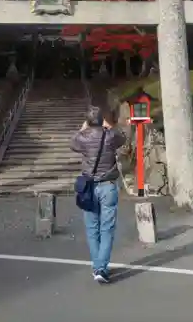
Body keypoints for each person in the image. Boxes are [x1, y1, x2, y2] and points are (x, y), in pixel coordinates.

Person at [71, 106, 125, 284]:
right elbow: (122, 138)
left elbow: (73, 143)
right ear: (102, 120)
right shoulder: (110, 136)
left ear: (88, 121)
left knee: (92, 229)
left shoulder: (83, 137)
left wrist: (83, 127)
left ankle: (97, 267)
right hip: (108, 185)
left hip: (89, 187)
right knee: (107, 228)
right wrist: (108, 126)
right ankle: (102, 267)